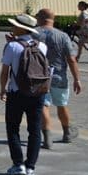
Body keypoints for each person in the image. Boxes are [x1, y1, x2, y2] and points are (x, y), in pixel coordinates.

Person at [0, 14, 48, 175]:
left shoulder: (11, 46)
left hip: (16, 93)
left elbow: (5, 72)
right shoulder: (42, 46)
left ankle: (18, 164)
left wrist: (2, 89)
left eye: (14, 25)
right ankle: (30, 167)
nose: (12, 27)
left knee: (13, 128)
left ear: (21, 28)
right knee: (34, 130)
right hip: (37, 93)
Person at [33, 8, 82, 146]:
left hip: (39, 76)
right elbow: (72, 60)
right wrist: (77, 79)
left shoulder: (34, 34)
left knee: (44, 105)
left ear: (41, 18)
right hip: (59, 77)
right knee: (62, 105)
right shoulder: (63, 36)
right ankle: (67, 133)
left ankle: (47, 137)